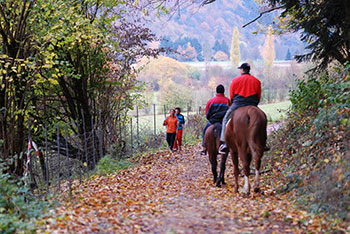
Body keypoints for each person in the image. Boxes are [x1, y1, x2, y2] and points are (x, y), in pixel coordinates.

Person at [218, 63, 261, 154]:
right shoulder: (256, 81)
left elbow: (231, 95)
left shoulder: (235, 80)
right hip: (252, 103)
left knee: (225, 119)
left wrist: (233, 102)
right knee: (262, 118)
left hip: (238, 103)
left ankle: (224, 143)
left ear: (242, 70)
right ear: (248, 70)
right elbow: (258, 96)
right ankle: (262, 142)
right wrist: (254, 104)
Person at [200, 84, 230, 155]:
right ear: (224, 91)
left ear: (216, 91)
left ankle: (204, 147)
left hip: (213, 122)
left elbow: (207, 114)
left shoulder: (211, 101)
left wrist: (210, 119)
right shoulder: (228, 101)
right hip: (223, 122)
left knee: (205, 131)